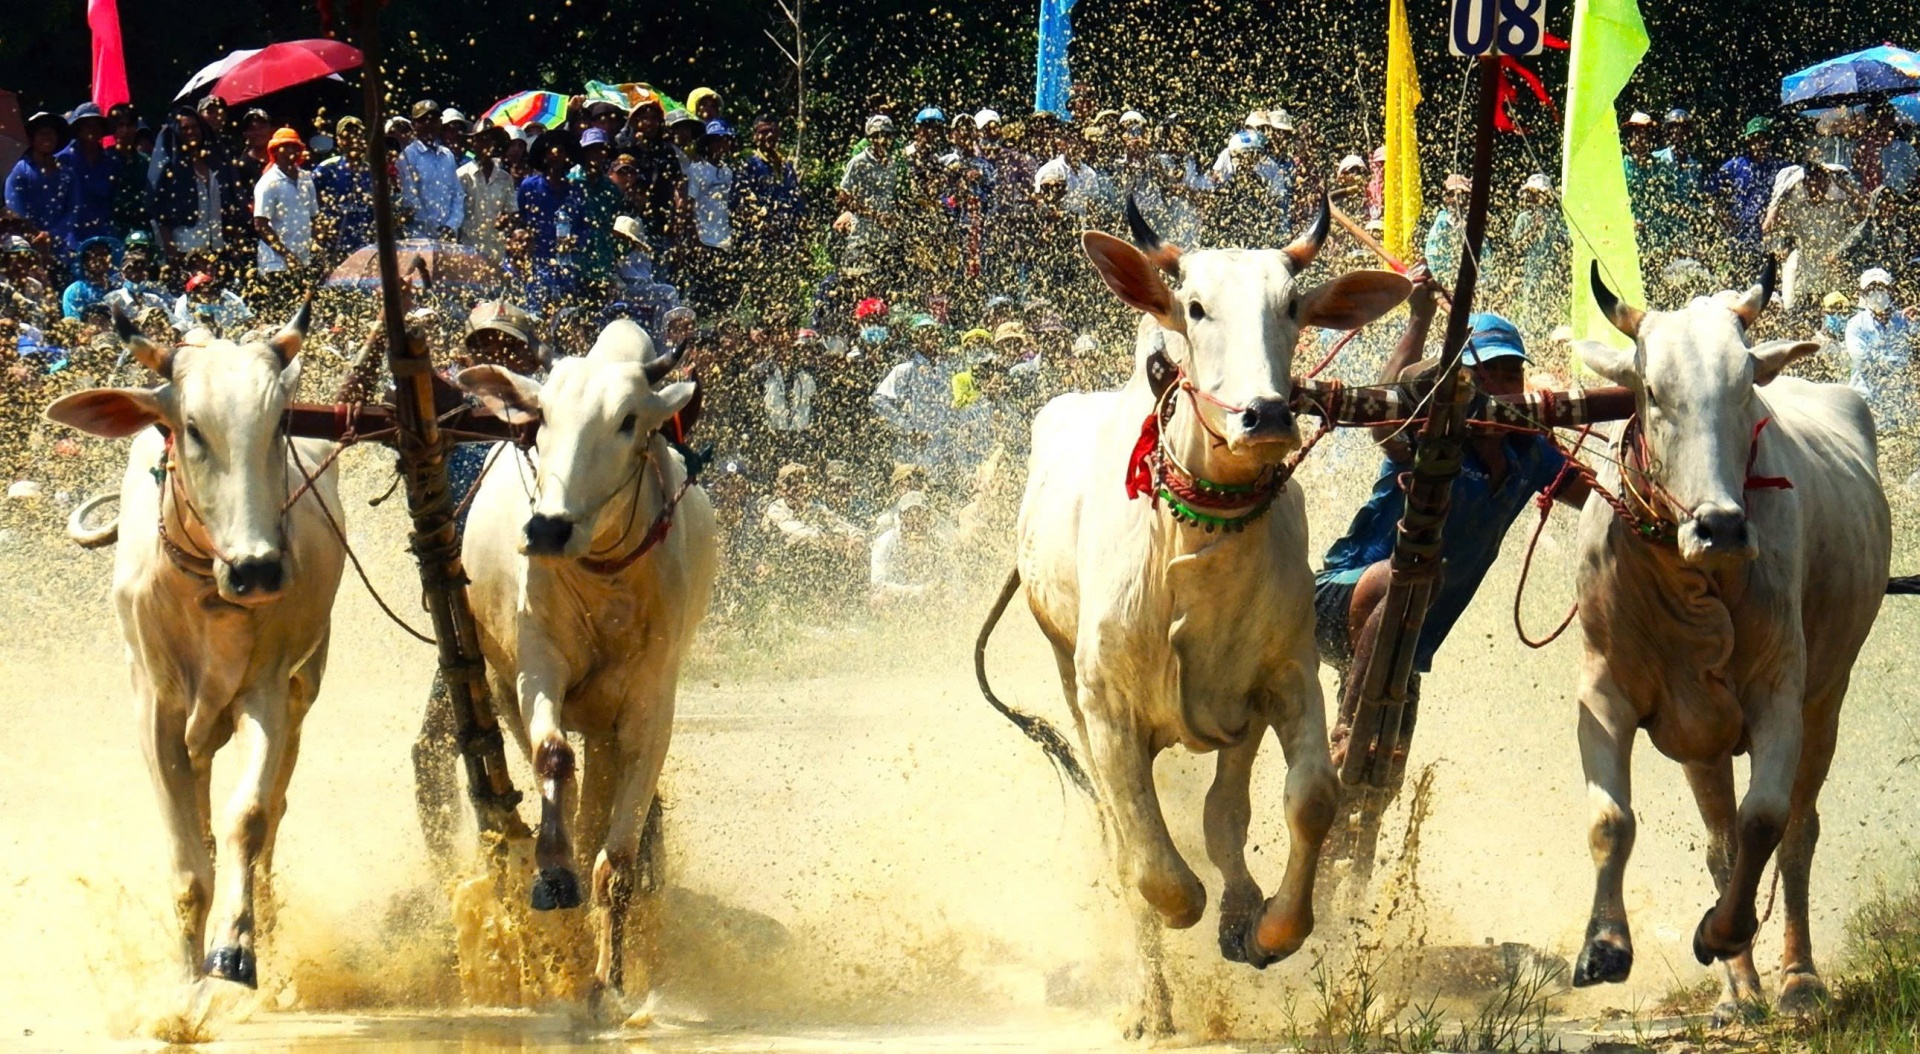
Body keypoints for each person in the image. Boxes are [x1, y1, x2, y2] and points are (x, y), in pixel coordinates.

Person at [1315, 273, 1588, 781]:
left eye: (1512, 375)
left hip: (1408, 640)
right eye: (1489, 376)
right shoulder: (1429, 434)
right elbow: (1382, 415)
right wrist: (1418, 317)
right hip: (1343, 598)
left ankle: (1352, 854)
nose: (1504, 389)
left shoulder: (1530, 454)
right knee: (1413, 575)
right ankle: (1346, 728)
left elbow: (1598, 500)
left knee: (1381, 779)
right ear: (1460, 382)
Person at [1764, 155, 1867, 314]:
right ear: (1805, 183)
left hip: (1833, 271)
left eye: (1823, 182)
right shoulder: (1796, 204)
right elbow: (1769, 226)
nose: (1818, 187)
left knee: (1836, 317)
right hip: (1804, 271)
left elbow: (1865, 214)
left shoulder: (1839, 204)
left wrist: (1848, 188)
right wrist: (1779, 200)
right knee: (1794, 314)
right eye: (1812, 182)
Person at [1844, 268, 1917, 457]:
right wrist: (1899, 363)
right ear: (1862, 295)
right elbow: (1864, 361)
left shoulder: (1905, 321)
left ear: (1891, 290)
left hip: (1901, 407)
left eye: (1881, 288)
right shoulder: (1856, 325)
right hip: (1867, 406)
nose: (1877, 294)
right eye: (1871, 290)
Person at [252, 128, 320, 306]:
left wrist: (318, 246)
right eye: (285, 147)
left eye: (294, 147)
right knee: (280, 313)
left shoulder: (306, 178)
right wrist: (287, 255)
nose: (291, 152)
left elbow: (314, 217)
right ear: (275, 151)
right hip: (276, 264)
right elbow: (260, 224)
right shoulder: (268, 183)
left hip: (303, 260)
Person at [1710, 116, 1790, 268]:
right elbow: (1711, 193)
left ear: (1769, 141)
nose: (1759, 144)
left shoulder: (1780, 168)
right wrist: (1724, 217)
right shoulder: (1734, 166)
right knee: (1739, 281)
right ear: (1748, 141)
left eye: (1763, 138)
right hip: (1740, 235)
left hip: (1769, 236)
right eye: (1755, 139)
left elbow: (1796, 185)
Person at [836, 116, 902, 293]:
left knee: (887, 288)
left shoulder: (893, 164)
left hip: (887, 238)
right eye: (877, 135)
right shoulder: (858, 162)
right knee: (860, 286)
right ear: (870, 138)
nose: (882, 140)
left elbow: (893, 196)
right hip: (862, 236)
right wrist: (874, 215)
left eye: (887, 136)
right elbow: (843, 197)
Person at [150, 109, 224, 266]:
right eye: (184, 128)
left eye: (195, 127)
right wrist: (171, 252)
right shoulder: (169, 169)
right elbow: (159, 212)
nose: (191, 132)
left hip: (213, 246)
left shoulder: (211, 162)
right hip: (183, 247)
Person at [5, 112, 75, 268]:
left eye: (52, 133)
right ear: (32, 138)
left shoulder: (67, 173)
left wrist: (51, 235)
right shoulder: (19, 171)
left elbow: (72, 211)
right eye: (42, 133)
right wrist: (37, 236)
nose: (48, 137)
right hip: (25, 248)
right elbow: (15, 212)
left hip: (60, 249)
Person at [868, 490, 949, 609]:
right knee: (879, 599)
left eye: (920, 514)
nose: (916, 520)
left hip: (929, 596)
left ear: (928, 516)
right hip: (898, 595)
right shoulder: (885, 542)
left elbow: (949, 577)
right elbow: (878, 583)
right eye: (910, 514)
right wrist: (916, 592)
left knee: (948, 598)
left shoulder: (939, 542)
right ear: (901, 516)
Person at [313, 116, 376, 263]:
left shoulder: (373, 172)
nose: (353, 139)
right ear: (339, 140)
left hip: (366, 248)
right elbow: (309, 207)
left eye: (357, 135)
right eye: (347, 136)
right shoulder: (326, 170)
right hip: (333, 249)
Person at [397, 101, 463, 239]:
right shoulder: (408, 156)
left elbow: (457, 194)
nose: (429, 124)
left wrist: (451, 225)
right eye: (423, 120)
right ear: (414, 125)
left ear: (440, 123)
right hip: (418, 236)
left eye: (433, 120)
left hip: (448, 235)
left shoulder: (447, 155)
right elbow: (411, 199)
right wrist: (434, 229)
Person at [59, 103, 117, 248]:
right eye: (88, 125)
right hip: (70, 235)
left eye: (97, 125)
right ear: (78, 129)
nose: (93, 129)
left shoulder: (109, 161)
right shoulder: (63, 160)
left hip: (103, 234)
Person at [458, 123, 516, 262]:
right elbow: (456, 215)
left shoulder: (504, 178)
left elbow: (511, 211)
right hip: (468, 249)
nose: (484, 144)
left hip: (496, 251)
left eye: (488, 140)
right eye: (480, 140)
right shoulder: (462, 176)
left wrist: (506, 220)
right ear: (473, 144)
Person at [107, 103, 152, 238]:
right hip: (112, 228)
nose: (125, 130)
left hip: (141, 228)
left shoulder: (145, 161)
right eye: (120, 125)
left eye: (129, 125)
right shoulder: (104, 159)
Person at [105, 231, 170, 319]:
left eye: (142, 249)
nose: (137, 252)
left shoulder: (156, 287)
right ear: (123, 273)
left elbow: (171, 308)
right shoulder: (113, 288)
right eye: (132, 249)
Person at [171, 269, 253, 335]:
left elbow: (247, 317)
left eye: (208, 286)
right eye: (199, 290)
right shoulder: (183, 302)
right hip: (199, 343)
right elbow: (180, 323)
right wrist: (175, 331)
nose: (205, 291)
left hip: (230, 338)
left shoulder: (228, 297)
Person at [61, 237, 119, 320]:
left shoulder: (117, 288)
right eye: (95, 255)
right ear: (85, 261)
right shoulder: (75, 291)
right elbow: (74, 324)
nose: (100, 259)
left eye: (104, 254)